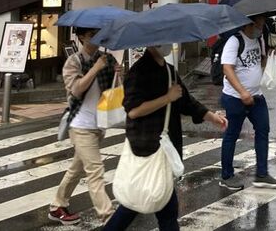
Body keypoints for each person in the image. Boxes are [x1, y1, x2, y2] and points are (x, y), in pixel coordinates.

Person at [104, 45, 227, 231]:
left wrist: (213, 118)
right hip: (147, 146)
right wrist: (167, 97)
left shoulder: (169, 71)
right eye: (164, 40)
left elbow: (187, 102)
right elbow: (134, 111)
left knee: (153, 206)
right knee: (151, 206)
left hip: (165, 145)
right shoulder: (138, 72)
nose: (169, 44)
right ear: (153, 42)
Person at [49, 27, 118, 226]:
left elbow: (116, 90)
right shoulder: (74, 61)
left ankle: (57, 206)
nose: (96, 39)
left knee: (76, 169)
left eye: (98, 34)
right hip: (80, 124)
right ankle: (108, 217)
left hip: (99, 124)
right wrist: (95, 68)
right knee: (95, 170)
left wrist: (118, 73)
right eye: (91, 35)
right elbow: (77, 90)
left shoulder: (107, 59)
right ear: (81, 37)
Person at [219, 14, 276, 191]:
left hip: (256, 96)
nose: (262, 27)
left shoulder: (258, 39)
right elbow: (227, 68)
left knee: (263, 130)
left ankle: (262, 174)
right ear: (250, 23)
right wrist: (242, 92)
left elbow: (258, 62)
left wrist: (269, 58)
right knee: (232, 135)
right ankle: (226, 176)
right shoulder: (234, 41)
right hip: (235, 97)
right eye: (260, 24)